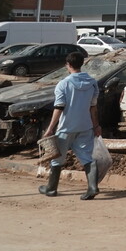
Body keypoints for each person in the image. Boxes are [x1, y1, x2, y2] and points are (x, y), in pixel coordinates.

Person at [39, 50, 101, 200]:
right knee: (87, 157)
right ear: (82, 64)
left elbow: (59, 108)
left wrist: (50, 129)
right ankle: (93, 187)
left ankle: (51, 188)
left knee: (57, 158)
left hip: (66, 128)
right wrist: (96, 125)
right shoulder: (92, 83)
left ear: (68, 65)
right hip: (85, 126)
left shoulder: (64, 84)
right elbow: (93, 107)